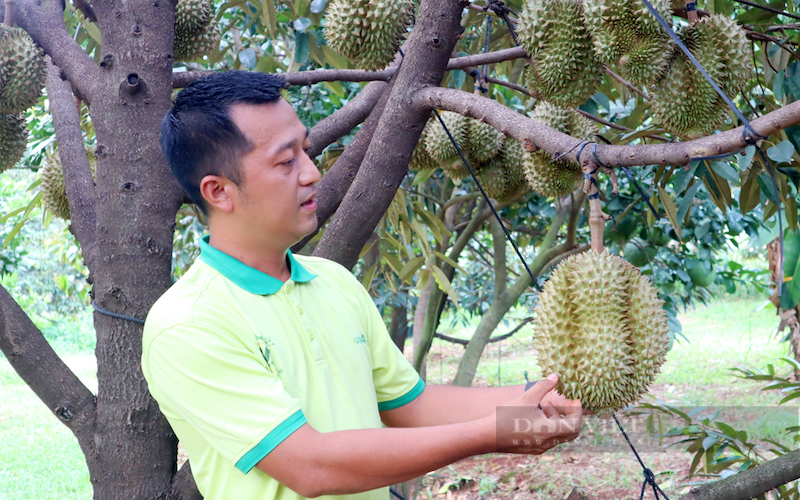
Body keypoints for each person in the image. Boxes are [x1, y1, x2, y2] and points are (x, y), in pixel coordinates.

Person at [142, 70, 583, 500]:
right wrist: (496, 432)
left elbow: (411, 407)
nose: (312, 173)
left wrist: (546, 398)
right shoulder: (188, 324)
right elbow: (310, 465)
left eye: (307, 151)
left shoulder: (332, 282)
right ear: (219, 192)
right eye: (285, 160)